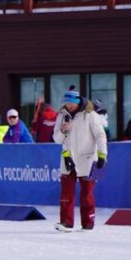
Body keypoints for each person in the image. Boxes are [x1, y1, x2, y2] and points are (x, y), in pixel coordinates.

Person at [53, 87, 107, 232]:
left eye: (71, 102)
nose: (68, 105)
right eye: (66, 103)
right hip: (67, 159)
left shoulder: (90, 115)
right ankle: (66, 223)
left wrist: (102, 154)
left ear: (77, 101)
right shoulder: (62, 115)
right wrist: (64, 130)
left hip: (87, 159)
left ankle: (88, 224)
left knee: (87, 193)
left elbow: (100, 135)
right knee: (66, 193)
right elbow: (57, 139)